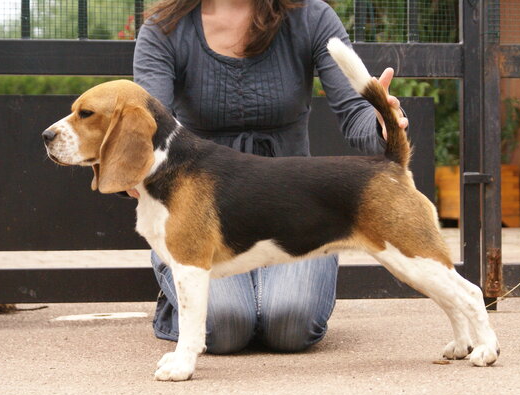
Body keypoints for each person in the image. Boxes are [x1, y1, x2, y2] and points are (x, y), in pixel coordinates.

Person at [132, 0, 408, 355]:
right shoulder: (164, 27)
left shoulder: (311, 16)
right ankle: (183, 296)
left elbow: (355, 112)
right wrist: (134, 171)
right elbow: (152, 128)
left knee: (289, 327)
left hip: (296, 207)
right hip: (202, 212)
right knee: (226, 328)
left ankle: (250, 299)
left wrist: (382, 124)